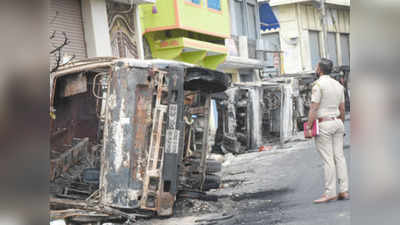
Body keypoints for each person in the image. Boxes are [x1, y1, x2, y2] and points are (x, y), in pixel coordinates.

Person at [305, 58, 349, 204]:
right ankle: (344, 190)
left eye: (316, 66)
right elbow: (342, 108)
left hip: (324, 124)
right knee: (340, 157)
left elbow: (314, 107)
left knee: (328, 159)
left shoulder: (318, 85)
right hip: (337, 122)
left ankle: (330, 193)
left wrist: (309, 126)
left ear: (319, 69)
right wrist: (340, 124)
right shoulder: (338, 85)